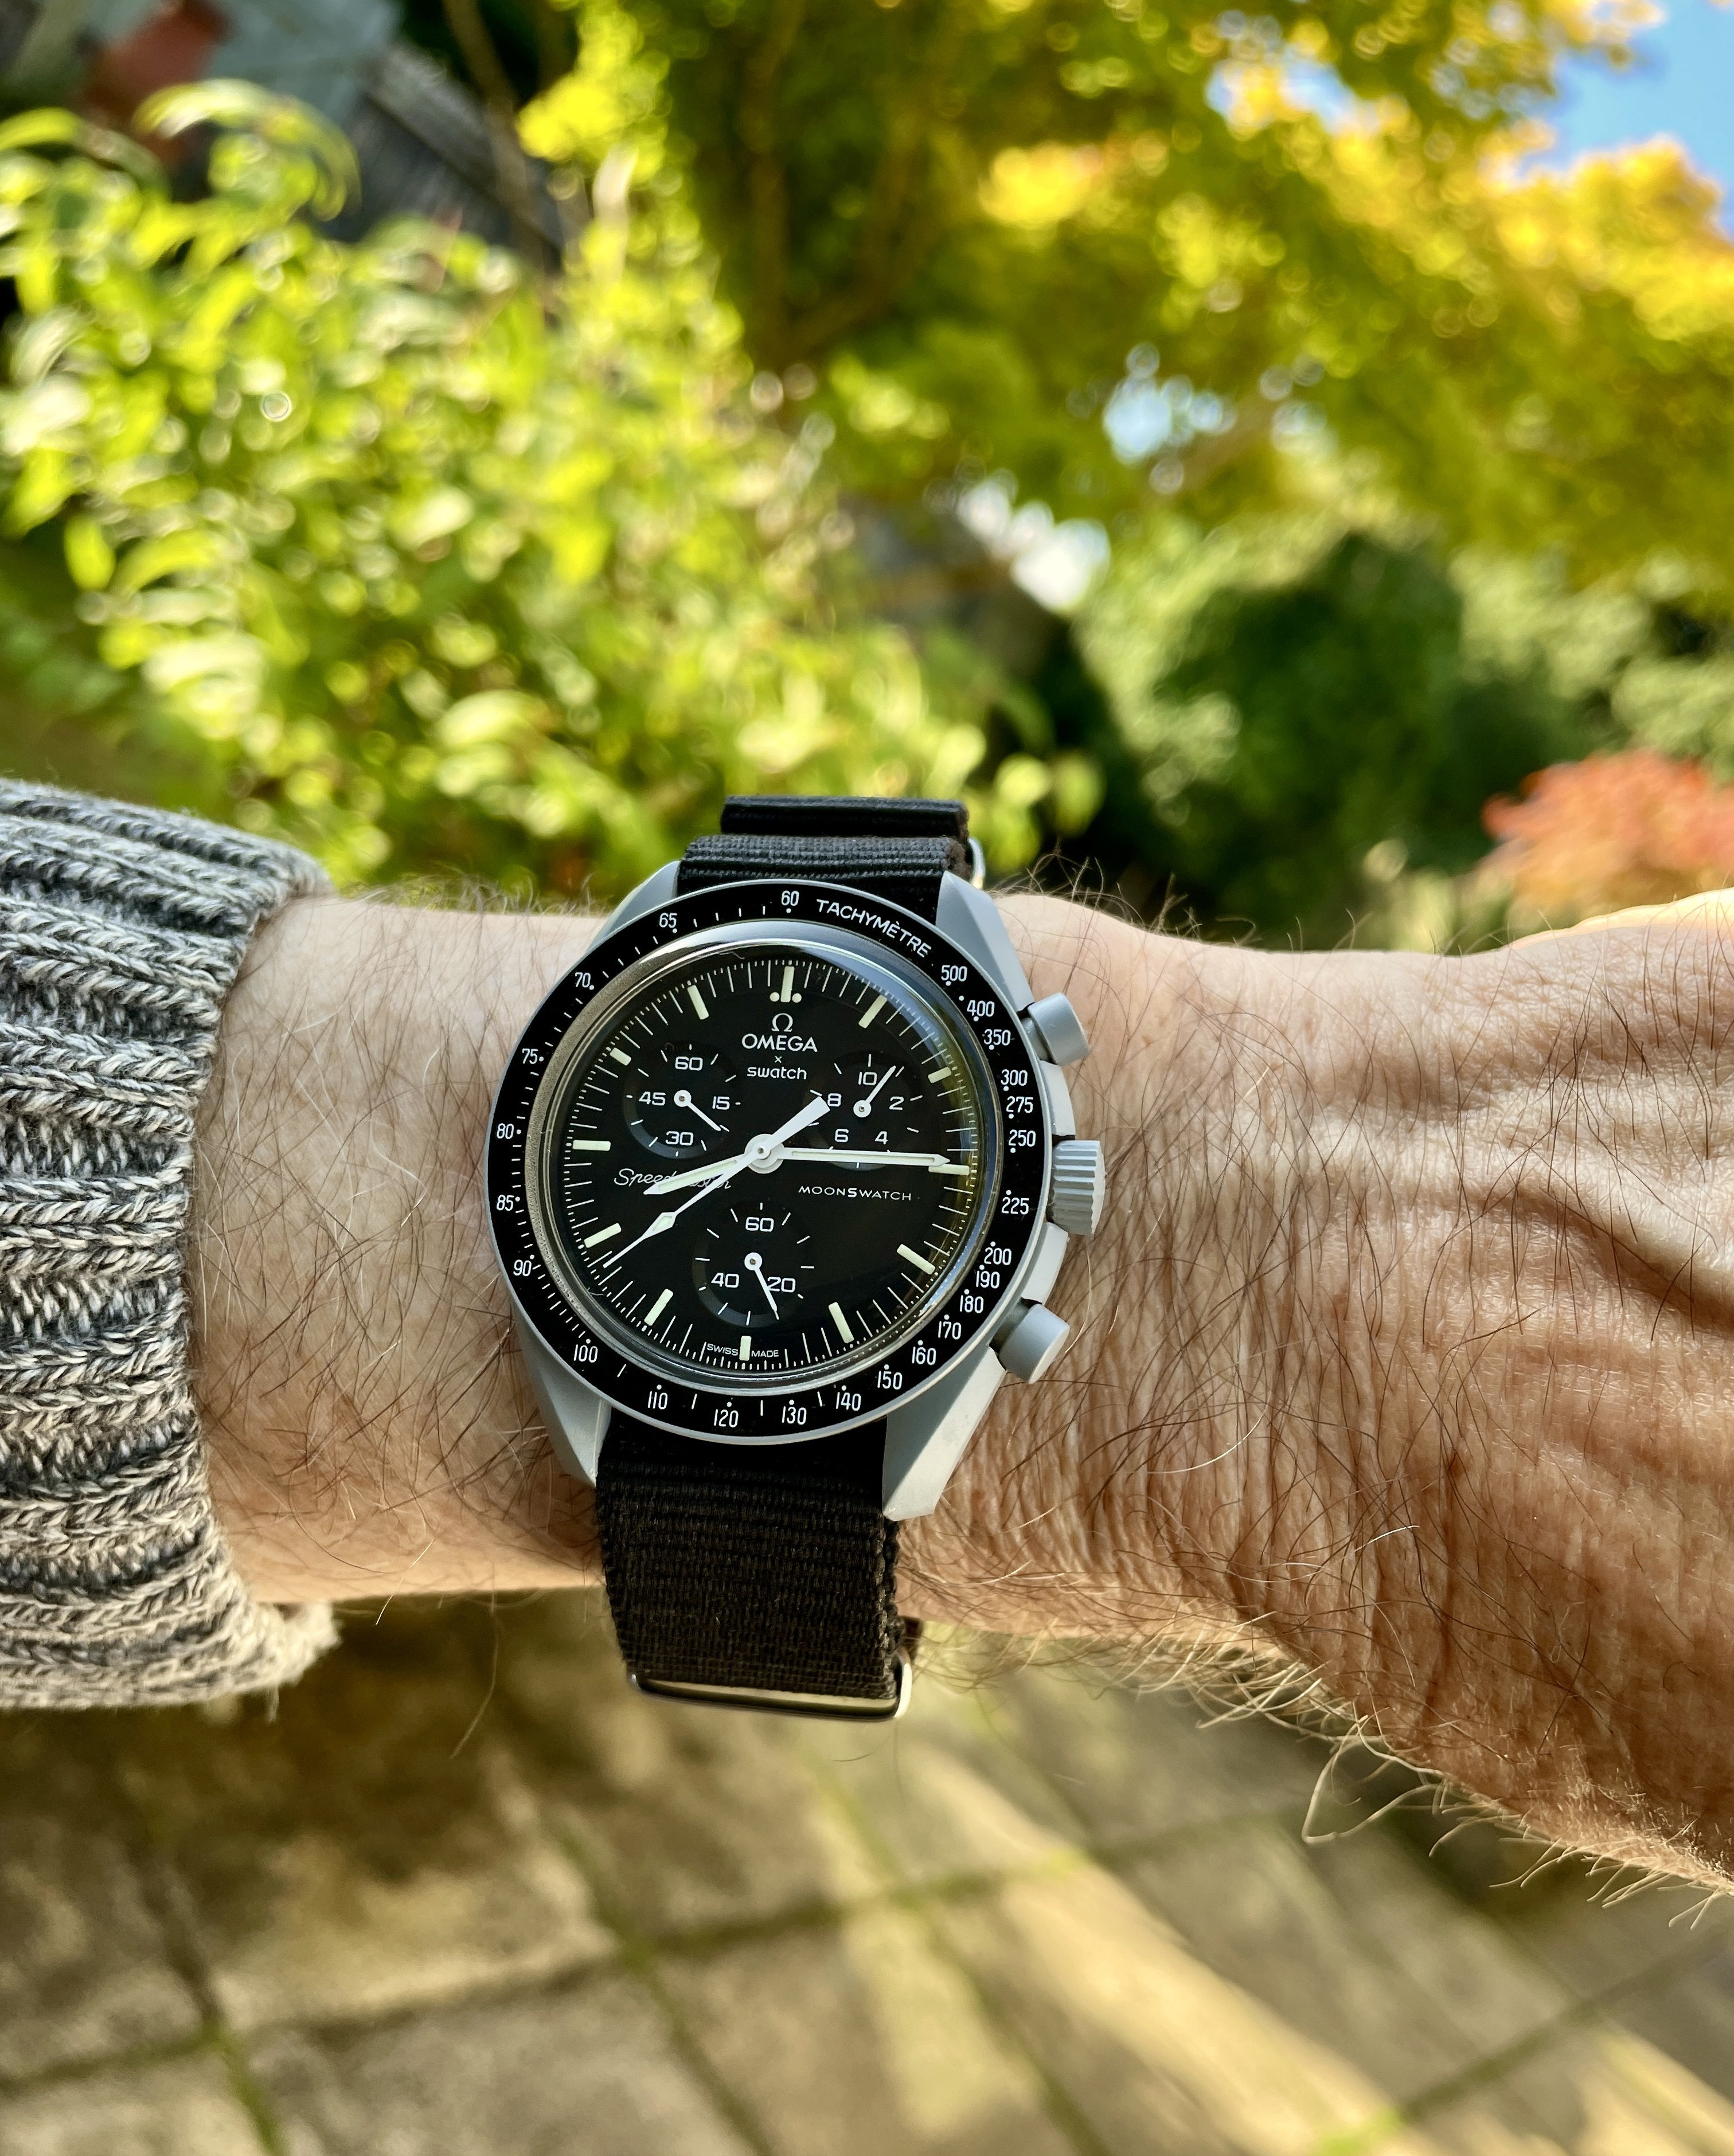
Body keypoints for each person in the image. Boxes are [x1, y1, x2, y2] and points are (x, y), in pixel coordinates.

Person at [4, 778, 1732, 1891]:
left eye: (795, 1150)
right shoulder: (633, 1114)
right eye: (750, 1147)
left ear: (1049, 1185)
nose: (763, 1163)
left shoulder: (1014, 1184)